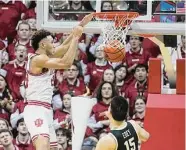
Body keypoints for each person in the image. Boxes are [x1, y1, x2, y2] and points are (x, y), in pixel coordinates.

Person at [23, 13, 93, 150]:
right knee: (42, 146)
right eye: (51, 41)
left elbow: (63, 49)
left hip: (46, 109)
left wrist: (80, 26)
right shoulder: (38, 59)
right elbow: (66, 63)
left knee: (54, 148)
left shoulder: (45, 55)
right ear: (43, 44)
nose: (54, 43)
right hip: (36, 108)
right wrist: (77, 37)